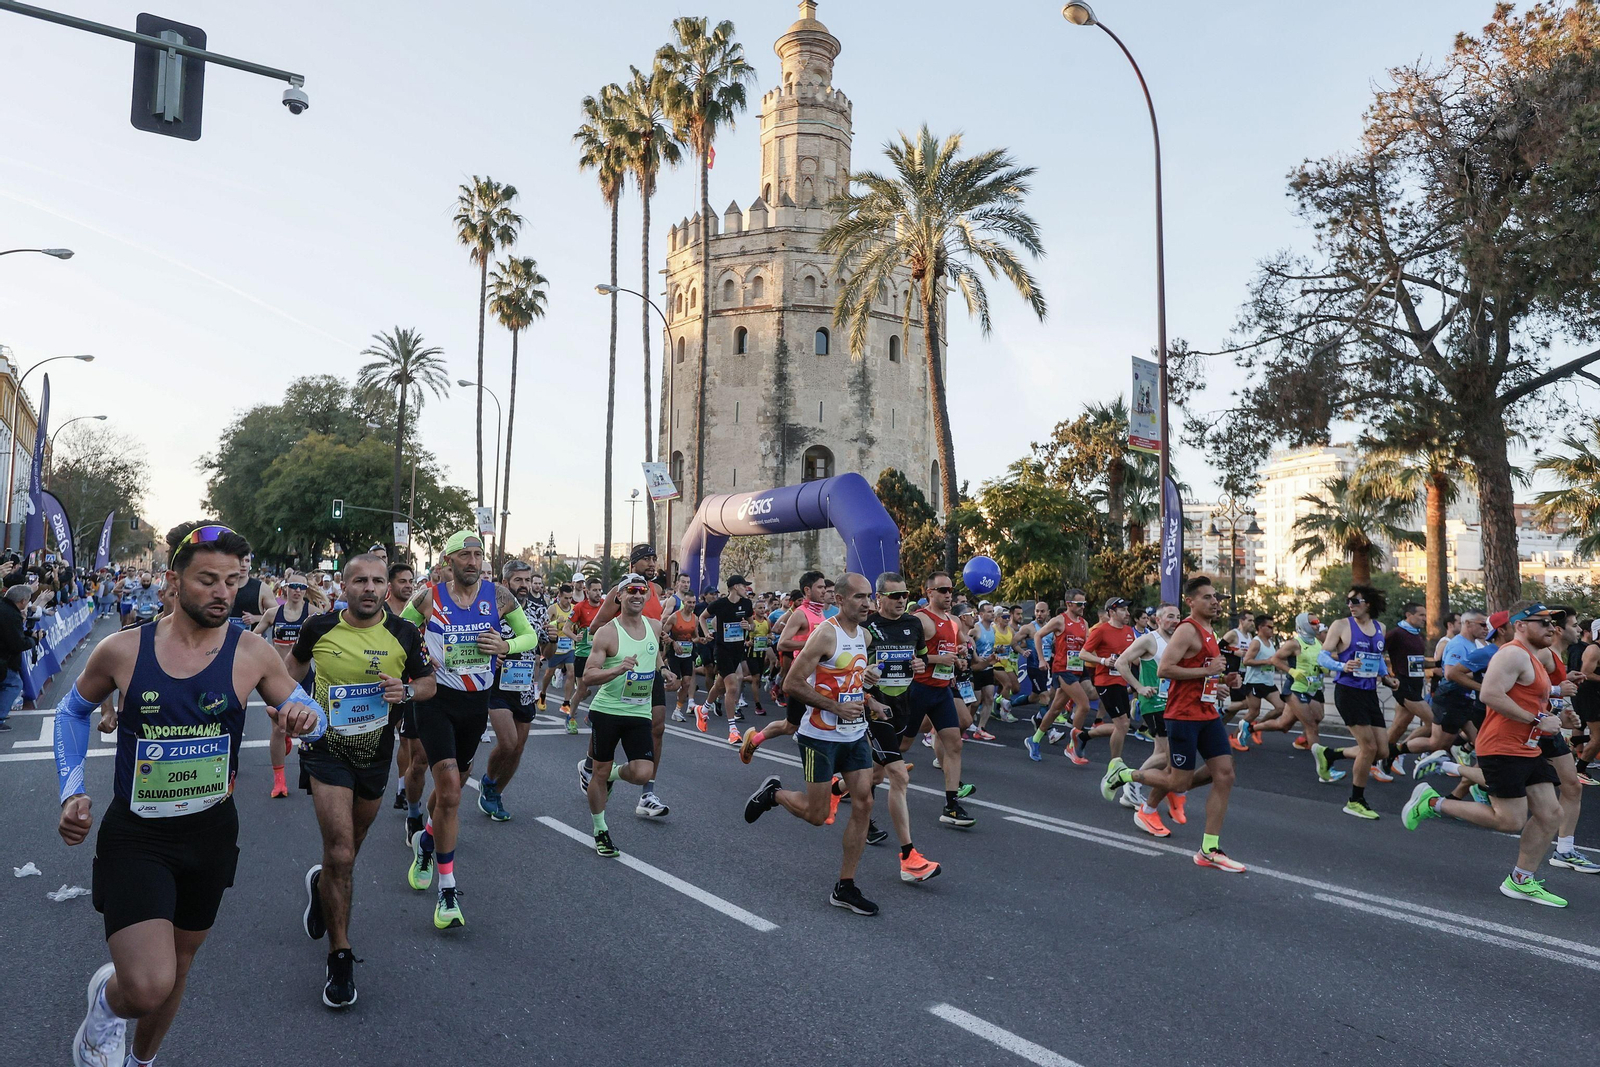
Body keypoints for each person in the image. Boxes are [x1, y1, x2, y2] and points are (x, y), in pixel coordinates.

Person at [53, 522, 328, 1067]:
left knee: (177, 968)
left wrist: (305, 717)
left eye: (234, 580)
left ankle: (140, 1061)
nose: (223, 592)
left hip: (210, 833)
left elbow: (313, 717)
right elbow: (72, 710)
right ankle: (107, 1010)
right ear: (175, 581)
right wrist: (72, 791)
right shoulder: (123, 650)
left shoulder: (253, 653)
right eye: (207, 580)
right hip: (138, 834)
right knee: (148, 984)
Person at [288, 553, 434, 1007]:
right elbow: (287, 675)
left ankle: (322, 885)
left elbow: (428, 684)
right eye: (359, 581)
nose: (369, 588)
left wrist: (406, 690)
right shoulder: (318, 628)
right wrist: (291, 709)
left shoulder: (404, 633)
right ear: (344, 587)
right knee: (342, 851)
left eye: (376, 581)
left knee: (346, 854)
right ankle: (341, 956)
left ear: (385, 587)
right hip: (326, 747)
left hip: (376, 752)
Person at [400, 531, 539, 929]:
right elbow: (397, 632)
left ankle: (426, 841)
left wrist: (506, 646)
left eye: (478, 554)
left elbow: (528, 634)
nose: (473, 561)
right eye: (465, 555)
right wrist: (415, 664)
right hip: (436, 702)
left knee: (454, 789)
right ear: (448, 561)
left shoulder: (497, 597)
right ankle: (447, 891)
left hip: (475, 705)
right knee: (450, 793)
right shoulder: (427, 598)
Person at [1403, 602, 1571, 906]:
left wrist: (1557, 717)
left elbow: (1532, 699)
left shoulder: (1531, 658)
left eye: (1553, 624)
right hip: (1502, 748)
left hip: (1527, 746)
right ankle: (1432, 803)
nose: (1551, 628)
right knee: (1509, 820)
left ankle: (1520, 880)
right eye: (1543, 622)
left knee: (1551, 814)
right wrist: (1537, 720)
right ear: (1520, 625)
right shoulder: (1512, 654)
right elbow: (1489, 694)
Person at [746, 573, 882, 915]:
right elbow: (792, 683)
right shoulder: (825, 634)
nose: (867, 603)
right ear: (839, 599)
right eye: (859, 598)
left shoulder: (863, 634)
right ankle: (774, 793)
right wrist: (836, 707)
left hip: (853, 734)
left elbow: (846, 677)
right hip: (819, 736)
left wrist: (866, 687)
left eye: (869, 597)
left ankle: (845, 887)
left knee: (864, 802)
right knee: (818, 815)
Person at [1102, 576, 1245, 872]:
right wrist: (1206, 670)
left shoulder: (1208, 631)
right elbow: (1166, 669)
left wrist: (1221, 682)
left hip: (1206, 713)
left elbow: (1203, 674)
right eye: (1207, 597)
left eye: (1215, 596)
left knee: (1225, 774)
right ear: (1191, 602)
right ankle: (1126, 773)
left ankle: (1209, 849)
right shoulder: (1187, 630)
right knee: (1179, 781)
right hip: (1182, 716)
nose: (1215, 601)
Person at [856, 572, 940, 883]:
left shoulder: (914, 624)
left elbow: (919, 660)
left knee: (876, 773)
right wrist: (866, 687)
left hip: (903, 704)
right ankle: (909, 858)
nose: (901, 600)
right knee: (899, 776)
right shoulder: (866, 627)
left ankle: (838, 792)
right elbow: (851, 671)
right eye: (893, 596)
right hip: (874, 710)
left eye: (904, 594)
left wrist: (920, 665)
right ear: (879, 598)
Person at [578, 573, 670, 857]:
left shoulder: (654, 626)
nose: (637, 595)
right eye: (630, 590)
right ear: (619, 596)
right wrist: (616, 670)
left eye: (641, 590)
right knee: (600, 769)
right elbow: (588, 675)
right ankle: (600, 829)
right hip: (607, 711)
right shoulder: (608, 631)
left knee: (644, 771)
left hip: (639, 711)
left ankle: (608, 776)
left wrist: (664, 670)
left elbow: (653, 657)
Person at [585, 545, 674, 817]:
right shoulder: (618, 591)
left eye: (653, 558)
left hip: (647, 671)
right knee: (611, 723)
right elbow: (594, 628)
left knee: (657, 728)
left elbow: (652, 639)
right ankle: (594, 767)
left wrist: (662, 666)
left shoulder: (655, 591)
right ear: (633, 564)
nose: (651, 563)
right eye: (646, 559)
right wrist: (618, 638)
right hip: (620, 665)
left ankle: (647, 792)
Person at [1312, 585, 1400, 819]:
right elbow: (1323, 655)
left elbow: (1378, 659)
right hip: (1348, 691)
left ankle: (1330, 755)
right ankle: (1355, 800)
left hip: (1370, 692)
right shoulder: (1341, 625)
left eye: (1355, 601)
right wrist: (1343, 665)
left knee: (1381, 751)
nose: (1350, 605)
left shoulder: (1380, 627)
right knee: (1368, 748)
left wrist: (1387, 678)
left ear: (1368, 603)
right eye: (1348, 601)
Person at [906, 572, 976, 826]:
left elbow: (954, 650)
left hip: (942, 690)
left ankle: (951, 806)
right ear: (929, 593)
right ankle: (850, 783)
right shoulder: (920, 620)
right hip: (918, 690)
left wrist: (958, 657)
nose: (948, 594)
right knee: (900, 747)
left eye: (950, 590)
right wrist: (937, 659)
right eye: (942, 590)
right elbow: (904, 656)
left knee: (955, 744)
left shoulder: (954, 621)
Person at [479, 560, 546, 821]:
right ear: (506, 583)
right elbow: (477, 643)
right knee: (508, 742)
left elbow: (542, 651)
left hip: (525, 686)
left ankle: (496, 792)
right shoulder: (492, 610)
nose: (524, 586)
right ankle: (487, 780)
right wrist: (493, 656)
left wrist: (550, 640)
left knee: (518, 748)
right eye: (518, 580)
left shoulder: (539, 611)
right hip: (498, 685)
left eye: (527, 580)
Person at [742, 571, 829, 756]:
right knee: (793, 726)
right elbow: (782, 643)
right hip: (802, 678)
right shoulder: (800, 614)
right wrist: (812, 645)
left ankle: (755, 739)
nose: (824, 591)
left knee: (799, 725)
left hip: (819, 677)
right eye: (820, 587)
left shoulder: (821, 614)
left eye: (824, 587)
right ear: (807, 590)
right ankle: (754, 740)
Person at [1113, 603, 1182, 832]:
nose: (1175, 620)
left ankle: (1133, 788)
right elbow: (1121, 662)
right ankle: (1130, 782)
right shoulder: (1150, 640)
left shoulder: (1178, 641)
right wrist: (1139, 688)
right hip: (1154, 703)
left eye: (1178, 617)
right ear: (1158, 619)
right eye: (1170, 616)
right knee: (1165, 754)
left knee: (1161, 753)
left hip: (1172, 703)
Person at [254, 572, 314, 798]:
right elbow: (253, 638)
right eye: (293, 586)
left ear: (306, 591)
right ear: (285, 589)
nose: (297, 591)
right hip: (278, 679)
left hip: (305, 677)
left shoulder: (312, 614)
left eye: (302, 587)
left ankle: (310, 775)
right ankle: (279, 781)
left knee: (310, 727)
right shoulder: (272, 614)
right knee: (277, 728)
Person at [1028, 590, 1096, 764]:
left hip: (1078, 669)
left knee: (1056, 709)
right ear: (1069, 604)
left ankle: (1034, 740)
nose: (1082, 607)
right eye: (1079, 604)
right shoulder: (1059, 620)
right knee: (1084, 705)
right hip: (1063, 669)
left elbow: (1088, 645)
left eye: (1084, 604)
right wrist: (1042, 659)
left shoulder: (1083, 623)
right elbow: (1038, 635)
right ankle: (1073, 746)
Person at [1074, 597, 1137, 763]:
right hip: (1106, 682)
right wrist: (1103, 661)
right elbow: (1083, 653)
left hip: (1121, 681)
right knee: (1123, 725)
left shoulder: (1129, 631)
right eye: (1123, 610)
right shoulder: (1100, 631)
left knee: (1122, 726)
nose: (1127, 613)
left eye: (1127, 610)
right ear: (1111, 612)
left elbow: (1134, 657)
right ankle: (1115, 764)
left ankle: (1083, 736)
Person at [385, 562, 424, 813]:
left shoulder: (421, 609)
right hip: (387, 680)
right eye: (402, 581)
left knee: (408, 740)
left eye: (411, 581)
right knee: (393, 738)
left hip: (413, 682)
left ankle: (401, 788)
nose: (408, 585)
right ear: (390, 585)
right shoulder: (382, 611)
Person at [701, 574, 756, 744]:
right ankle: (733, 730)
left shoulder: (746, 604)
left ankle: (703, 710)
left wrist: (749, 626)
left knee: (720, 684)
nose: (746, 588)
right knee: (732, 686)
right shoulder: (720, 604)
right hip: (722, 649)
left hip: (737, 650)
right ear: (734, 587)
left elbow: (752, 624)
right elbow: (702, 617)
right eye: (743, 585)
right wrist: (706, 632)